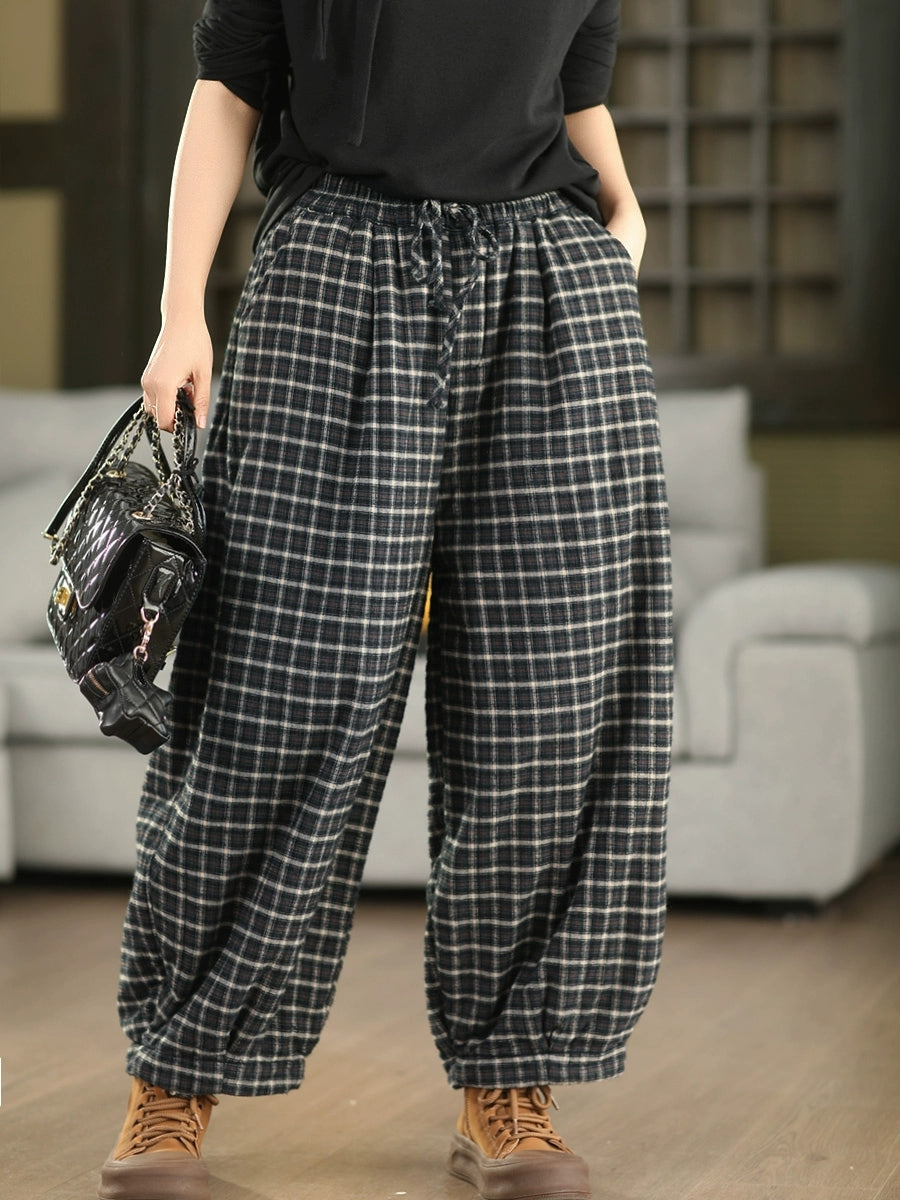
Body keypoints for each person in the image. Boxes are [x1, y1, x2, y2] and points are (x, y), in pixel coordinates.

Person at [98, 3, 674, 1199]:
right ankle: (177, 1071)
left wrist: (625, 221)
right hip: (332, 276)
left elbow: (574, 94)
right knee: (271, 695)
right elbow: (229, 88)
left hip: (550, 289)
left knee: (548, 706)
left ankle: (511, 1081)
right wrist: (180, 309)